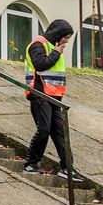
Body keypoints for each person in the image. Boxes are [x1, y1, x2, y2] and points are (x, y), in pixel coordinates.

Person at [24, 19, 78, 179]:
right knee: (44, 129)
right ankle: (30, 163)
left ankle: (67, 168)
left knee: (61, 133)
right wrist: (56, 53)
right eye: (66, 37)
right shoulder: (38, 44)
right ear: (58, 34)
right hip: (40, 94)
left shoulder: (55, 48)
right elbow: (40, 64)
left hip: (55, 96)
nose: (66, 41)